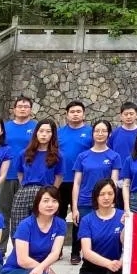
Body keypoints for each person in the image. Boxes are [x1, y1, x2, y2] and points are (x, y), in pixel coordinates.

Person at [78, 179, 125, 274]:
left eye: (110, 193)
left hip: (115, 267)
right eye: (102, 194)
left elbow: (128, 244)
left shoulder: (123, 217)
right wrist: (108, 263)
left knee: (117, 269)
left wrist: (126, 227)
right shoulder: (87, 220)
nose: (106, 197)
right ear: (96, 197)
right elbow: (86, 252)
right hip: (91, 270)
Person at [71, 119, 121, 258]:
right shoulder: (82, 156)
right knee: (83, 233)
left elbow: (114, 182)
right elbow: (77, 183)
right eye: (97, 131)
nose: (100, 134)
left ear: (109, 134)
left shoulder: (114, 156)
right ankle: (77, 255)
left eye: (104, 131)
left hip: (105, 201)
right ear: (92, 133)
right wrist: (74, 207)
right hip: (85, 201)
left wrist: (112, 202)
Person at [10, 119, 63, 240]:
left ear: (53, 135)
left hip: (45, 192)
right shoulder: (24, 153)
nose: (44, 134)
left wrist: (50, 194)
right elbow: (20, 174)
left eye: (48, 131)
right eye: (41, 131)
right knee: (18, 226)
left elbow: (59, 177)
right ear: (36, 133)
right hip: (24, 192)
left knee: (41, 226)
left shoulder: (57, 155)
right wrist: (26, 188)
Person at [57, 100, 93, 262]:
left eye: (79, 111)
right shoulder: (59, 133)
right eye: (72, 112)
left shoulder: (91, 132)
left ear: (84, 114)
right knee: (58, 216)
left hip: (82, 182)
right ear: (66, 114)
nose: (75, 114)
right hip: (61, 180)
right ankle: (56, 250)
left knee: (79, 217)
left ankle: (76, 252)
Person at [0, 96, 37, 241]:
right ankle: (1, 248)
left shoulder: (36, 128)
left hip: (28, 177)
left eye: (26, 106)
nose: (22, 109)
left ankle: (22, 246)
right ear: (14, 109)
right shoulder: (5, 128)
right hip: (6, 175)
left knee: (24, 214)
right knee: (3, 213)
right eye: (20, 106)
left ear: (31, 110)